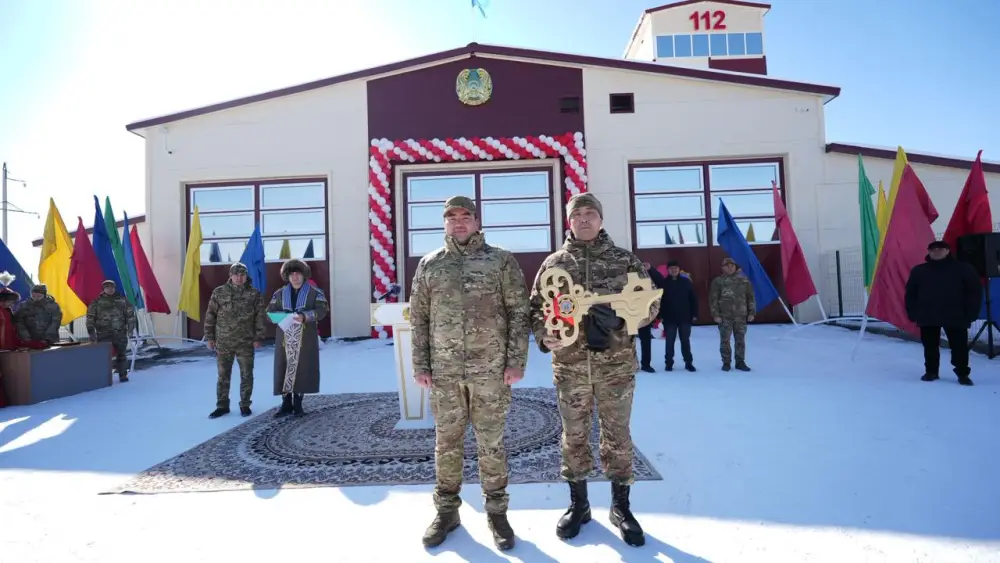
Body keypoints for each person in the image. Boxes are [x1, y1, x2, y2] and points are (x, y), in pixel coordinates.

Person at [529, 192, 658, 547]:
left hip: (615, 366)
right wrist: (545, 336)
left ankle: (620, 507)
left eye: (590, 213)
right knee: (574, 437)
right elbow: (535, 308)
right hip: (570, 368)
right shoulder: (554, 265)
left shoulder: (624, 260)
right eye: (577, 215)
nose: (584, 219)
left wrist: (624, 317)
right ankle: (579, 505)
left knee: (618, 436)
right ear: (569, 221)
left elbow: (649, 305)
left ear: (600, 219)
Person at [410, 195, 530, 551]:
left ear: (477, 221)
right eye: (452, 217)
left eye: (466, 216)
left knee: (490, 442)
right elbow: (419, 318)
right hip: (445, 373)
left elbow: (519, 313)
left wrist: (515, 361)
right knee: (446, 443)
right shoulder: (430, 264)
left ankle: (496, 512)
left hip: (490, 370)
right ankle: (447, 511)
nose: (459, 222)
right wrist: (421, 364)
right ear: (444, 223)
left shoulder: (501, 261)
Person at [905, 240, 982, 386]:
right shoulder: (919, 271)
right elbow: (911, 293)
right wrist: (912, 311)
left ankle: (962, 373)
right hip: (928, 314)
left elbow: (974, 292)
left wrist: (972, 312)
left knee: (959, 346)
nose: (937, 251)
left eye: (940, 249)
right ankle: (931, 371)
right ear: (928, 252)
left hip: (956, 314)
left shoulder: (963, 269)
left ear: (948, 251)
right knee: (930, 345)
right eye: (933, 249)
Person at [205, 263, 267, 418]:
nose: (239, 278)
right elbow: (210, 315)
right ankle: (222, 405)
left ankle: (245, 404)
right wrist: (210, 337)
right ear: (230, 275)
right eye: (236, 275)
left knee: (247, 374)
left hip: (245, 342)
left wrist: (259, 337)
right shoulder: (219, 292)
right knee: (223, 375)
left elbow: (260, 317)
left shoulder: (254, 294)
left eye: (242, 275)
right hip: (224, 341)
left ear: (246, 276)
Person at [267, 259, 328, 417]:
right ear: (287, 276)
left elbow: (322, 311)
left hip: (305, 338)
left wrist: (305, 316)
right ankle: (286, 404)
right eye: (292, 274)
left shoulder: (315, 293)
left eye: (298, 274)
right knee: (284, 368)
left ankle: (298, 405)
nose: (295, 277)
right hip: (284, 339)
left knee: (302, 369)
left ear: (304, 275)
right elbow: (269, 312)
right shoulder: (279, 294)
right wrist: (280, 316)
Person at [709, 257, 754, 372]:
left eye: (732, 265)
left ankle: (740, 362)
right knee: (725, 340)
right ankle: (726, 362)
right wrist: (716, 315)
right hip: (725, 317)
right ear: (722, 268)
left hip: (741, 316)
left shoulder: (744, 281)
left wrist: (751, 312)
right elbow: (713, 299)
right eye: (727, 265)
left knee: (740, 340)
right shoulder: (718, 281)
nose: (730, 267)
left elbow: (750, 297)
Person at [86, 280, 137, 382]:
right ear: (104, 289)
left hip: (120, 333)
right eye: (107, 287)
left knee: (121, 355)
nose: (110, 289)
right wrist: (91, 333)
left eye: (112, 287)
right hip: (103, 334)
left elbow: (131, 316)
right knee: (104, 357)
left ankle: (123, 375)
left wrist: (131, 330)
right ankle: (104, 377)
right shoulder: (96, 303)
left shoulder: (123, 301)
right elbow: (90, 318)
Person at [659, 260, 698, 371]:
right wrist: (660, 315)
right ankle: (669, 363)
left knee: (685, 341)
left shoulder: (686, 282)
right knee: (669, 342)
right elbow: (659, 301)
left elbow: (693, 299)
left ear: (679, 269)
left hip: (685, 317)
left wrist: (695, 314)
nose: (674, 270)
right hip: (669, 318)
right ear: (668, 270)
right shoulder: (663, 283)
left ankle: (688, 362)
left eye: (676, 268)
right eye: (671, 268)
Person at [636, 262, 665, 372]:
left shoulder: (649, 276)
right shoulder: (629, 274)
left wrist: (651, 269)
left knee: (645, 340)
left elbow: (661, 283)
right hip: (628, 312)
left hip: (644, 314)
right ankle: (628, 364)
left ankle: (646, 364)